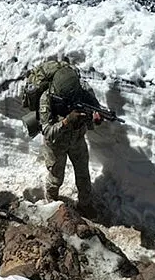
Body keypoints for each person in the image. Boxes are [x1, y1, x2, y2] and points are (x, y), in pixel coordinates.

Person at [25, 60, 102, 216]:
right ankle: (52, 206)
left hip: (77, 139)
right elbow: (47, 131)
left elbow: (95, 109)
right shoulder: (46, 99)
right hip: (55, 144)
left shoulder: (83, 90)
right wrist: (66, 121)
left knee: (83, 175)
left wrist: (95, 119)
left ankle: (85, 205)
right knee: (56, 178)